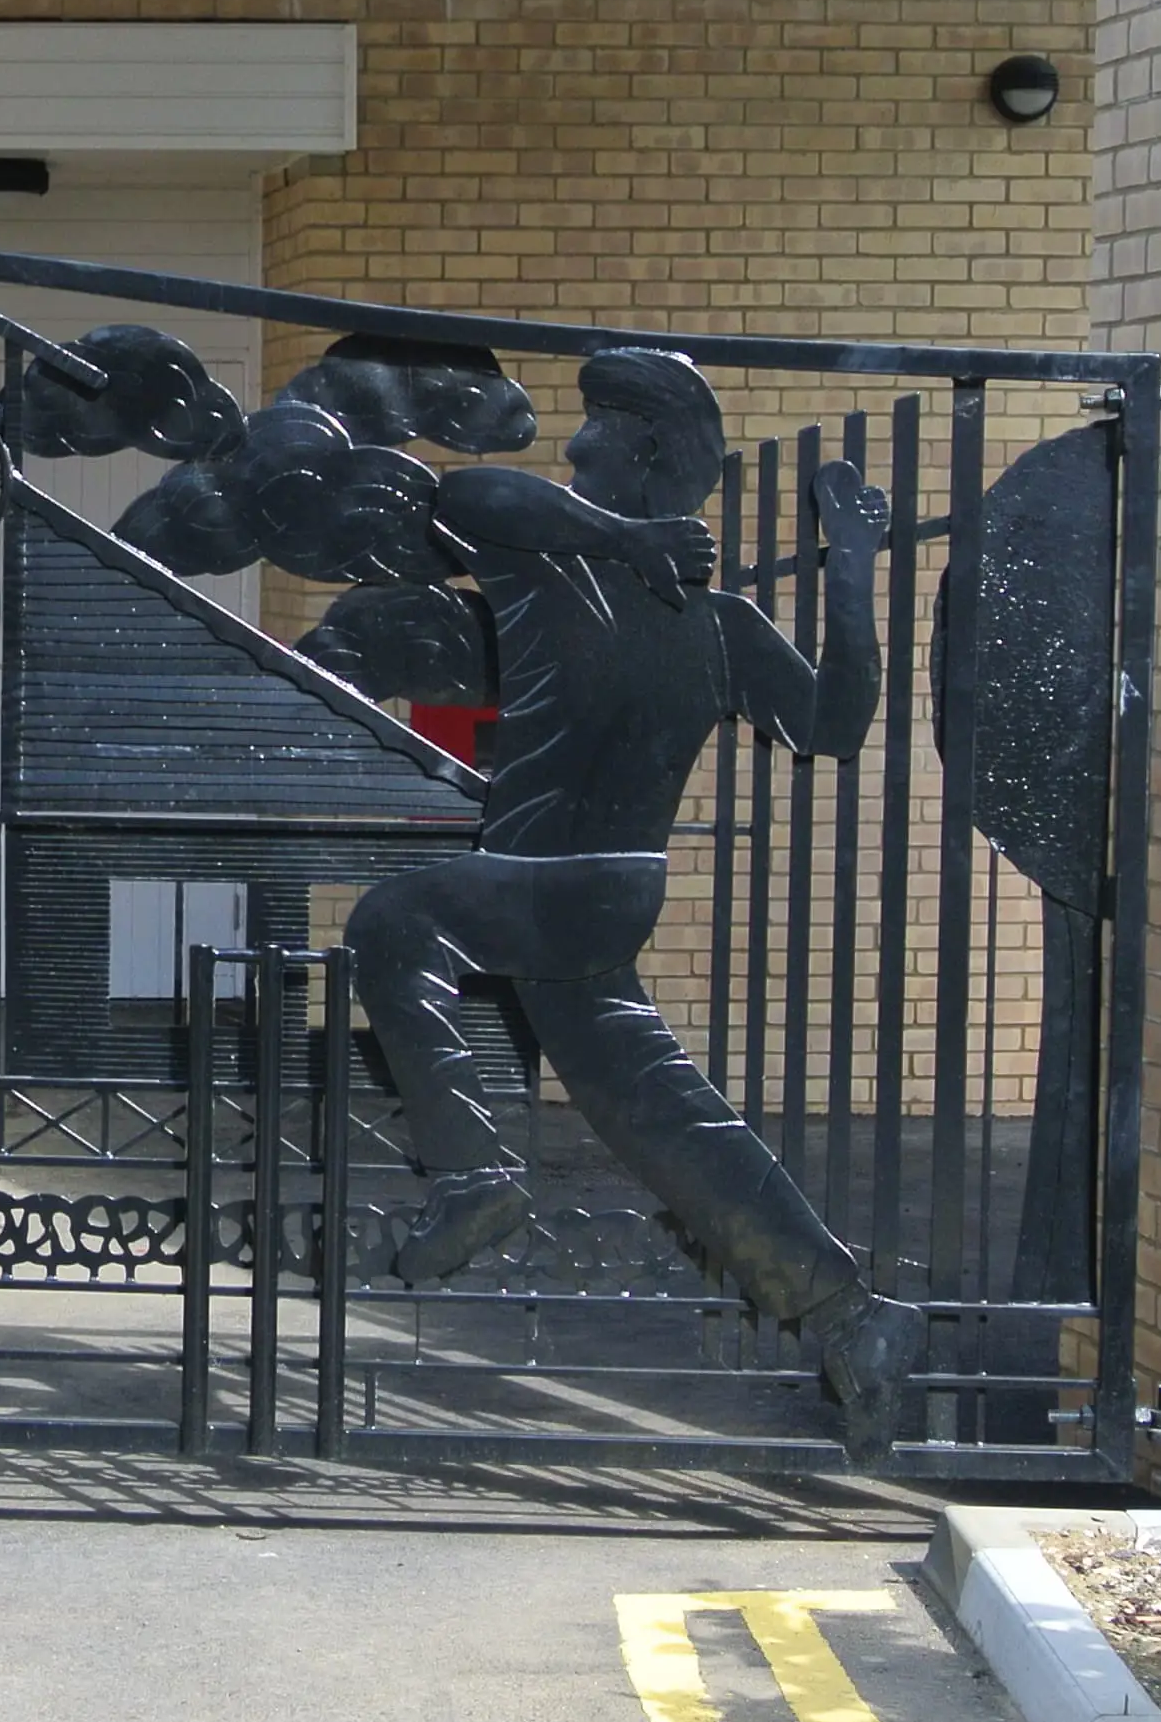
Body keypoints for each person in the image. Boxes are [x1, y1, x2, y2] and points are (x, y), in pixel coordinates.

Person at [333, 348, 931, 1461]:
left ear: (646, 450)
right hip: (612, 897)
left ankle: (471, 1177)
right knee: (660, 1116)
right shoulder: (683, 607)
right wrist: (845, 569)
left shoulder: (561, 572)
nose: (569, 447)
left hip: (536, 883)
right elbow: (466, 491)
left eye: (594, 429)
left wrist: (838, 562)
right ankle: (851, 1315)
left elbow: (462, 495)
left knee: (391, 922)